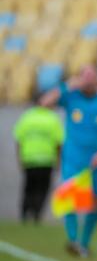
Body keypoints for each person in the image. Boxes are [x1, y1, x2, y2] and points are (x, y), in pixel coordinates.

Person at [40, 64, 97, 257]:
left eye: (92, 75)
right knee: (70, 199)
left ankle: (84, 243)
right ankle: (73, 239)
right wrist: (67, 85)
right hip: (74, 159)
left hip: (96, 161)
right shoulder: (71, 96)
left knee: (95, 201)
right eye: (85, 76)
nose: (89, 79)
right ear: (80, 78)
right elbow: (45, 103)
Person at [13, 95, 64, 223]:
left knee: (28, 187)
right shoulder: (52, 118)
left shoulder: (27, 117)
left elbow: (18, 139)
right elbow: (59, 142)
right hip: (46, 160)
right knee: (42, 188)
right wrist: (58, 161)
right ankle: (37, 213)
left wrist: (19, 158)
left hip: (29, 159)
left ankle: (25, 213)